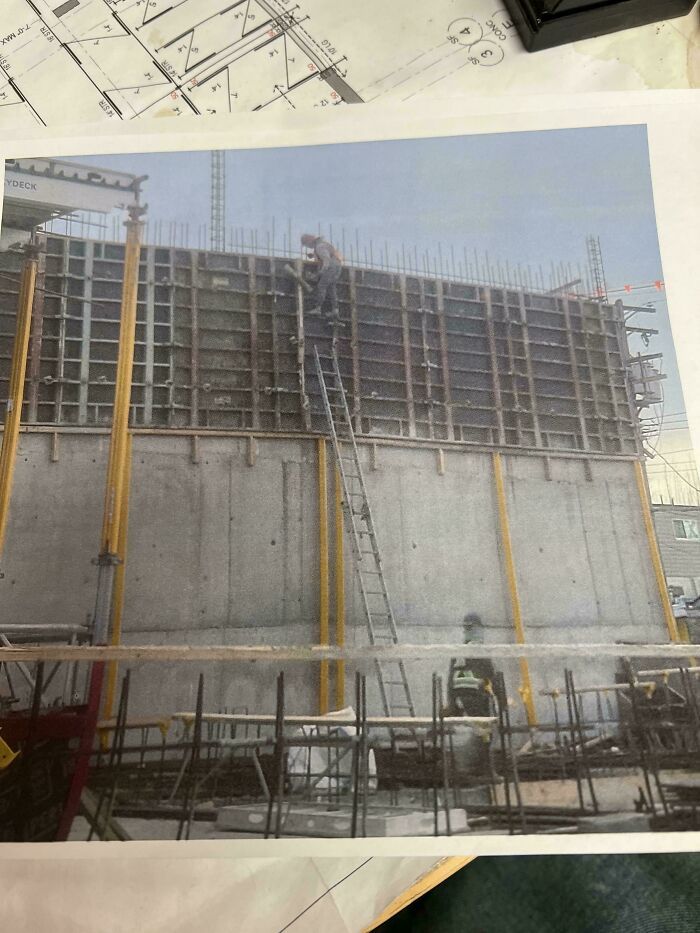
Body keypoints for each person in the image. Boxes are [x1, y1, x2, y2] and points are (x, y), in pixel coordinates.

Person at [447, 613, 496, 718]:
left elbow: (450, 684)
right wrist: (502, 702)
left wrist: (452, 705)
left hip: (461, 702)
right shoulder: (480, 652)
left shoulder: (458, 653)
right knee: (482, 729)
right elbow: (492, 677)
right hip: (476, 700)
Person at [300, 233, 342, 321]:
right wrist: (314, 256)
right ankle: (335, 310)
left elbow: (326, 260)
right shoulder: (323, 244)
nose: (308, 247)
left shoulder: (319, 247)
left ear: (309, 241)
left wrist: (320, 273)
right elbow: (328, 254)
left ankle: (318, 308)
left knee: (321, 286)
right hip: (337, 266)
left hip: (331, 267)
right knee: (331, 288)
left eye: (306, 245)